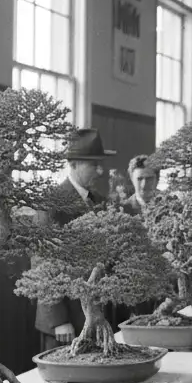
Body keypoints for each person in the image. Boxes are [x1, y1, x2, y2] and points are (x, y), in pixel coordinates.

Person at [35, 128, 115, 350]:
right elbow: (42, 262)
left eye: (100, 164)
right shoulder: (52, 203)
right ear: (73, 164)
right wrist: (58, 319)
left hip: (96, 315)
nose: (100, 171)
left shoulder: (100, 202)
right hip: (66, 323)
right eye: (93, 165)